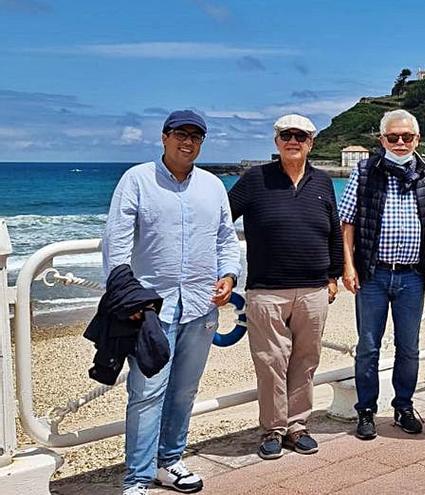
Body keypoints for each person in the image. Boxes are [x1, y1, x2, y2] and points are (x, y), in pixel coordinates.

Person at [103, 110, 241, 495]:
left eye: (196, 137)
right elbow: (115, 242)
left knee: (184, 391)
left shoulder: (213, 186)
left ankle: (170, 461)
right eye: (181, 134)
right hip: (151, 309)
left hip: (201, 305)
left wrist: (229, 275)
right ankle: (137, 479)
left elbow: (226, 239)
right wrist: (123, 293)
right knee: (146, 393)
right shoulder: (137, 180)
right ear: (164, 137)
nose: (188, 142)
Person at [228, 114, 343, 460]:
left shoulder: (322, 182)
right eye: (286, 135)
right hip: (266, 289)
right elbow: (221, 221)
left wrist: (334, 277)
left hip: (313, 289)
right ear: (276, 141)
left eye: (301, 136)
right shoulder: (254, 179)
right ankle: (273, 429)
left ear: (311, 142)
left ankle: (298, 425)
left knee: (306, 360)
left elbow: (334, 232)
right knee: (271, 362)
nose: (293, 141)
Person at [338, 109, 425, 439]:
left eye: (406, 137)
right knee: (368, 345)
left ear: (417, 139)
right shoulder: (365, 170)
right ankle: (366, 410)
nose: (400, 142)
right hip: (373, 274)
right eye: (393, 137)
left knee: (409, 346)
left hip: (413, 275)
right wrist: (348, 266)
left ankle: (403, 406)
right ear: (382, 139)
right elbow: (348, 222)